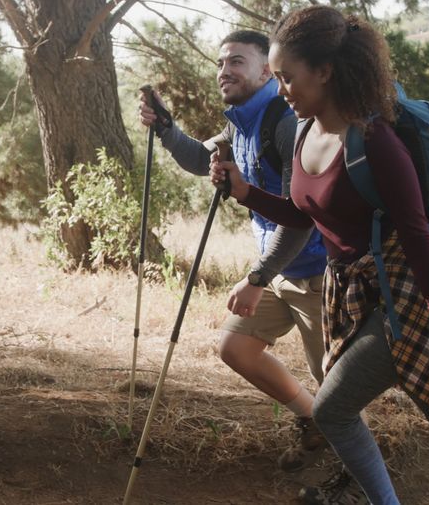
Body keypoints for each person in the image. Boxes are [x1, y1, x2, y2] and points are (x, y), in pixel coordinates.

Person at [209, 6, 429, 505]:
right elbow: (306, 212)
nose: (281, 90)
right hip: (357, 292)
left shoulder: (375, 142)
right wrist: (245, 192)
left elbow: (419, 241)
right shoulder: (306, 132)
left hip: (409, 291)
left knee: (337, 410)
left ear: (325, 72)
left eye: (288, 78)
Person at [138, 30, 335, 473]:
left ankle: (356, 477)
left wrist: (258, 277)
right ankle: (313, 420)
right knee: (237, 348)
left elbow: (299, 220)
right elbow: (197, 159)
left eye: (237, 62)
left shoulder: (285, 124)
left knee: (336, 385)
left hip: (319, 274)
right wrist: (167, 128)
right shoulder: (241, 122)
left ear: (267, 69)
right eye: (222, 63)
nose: (225, 70)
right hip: (280, 271)